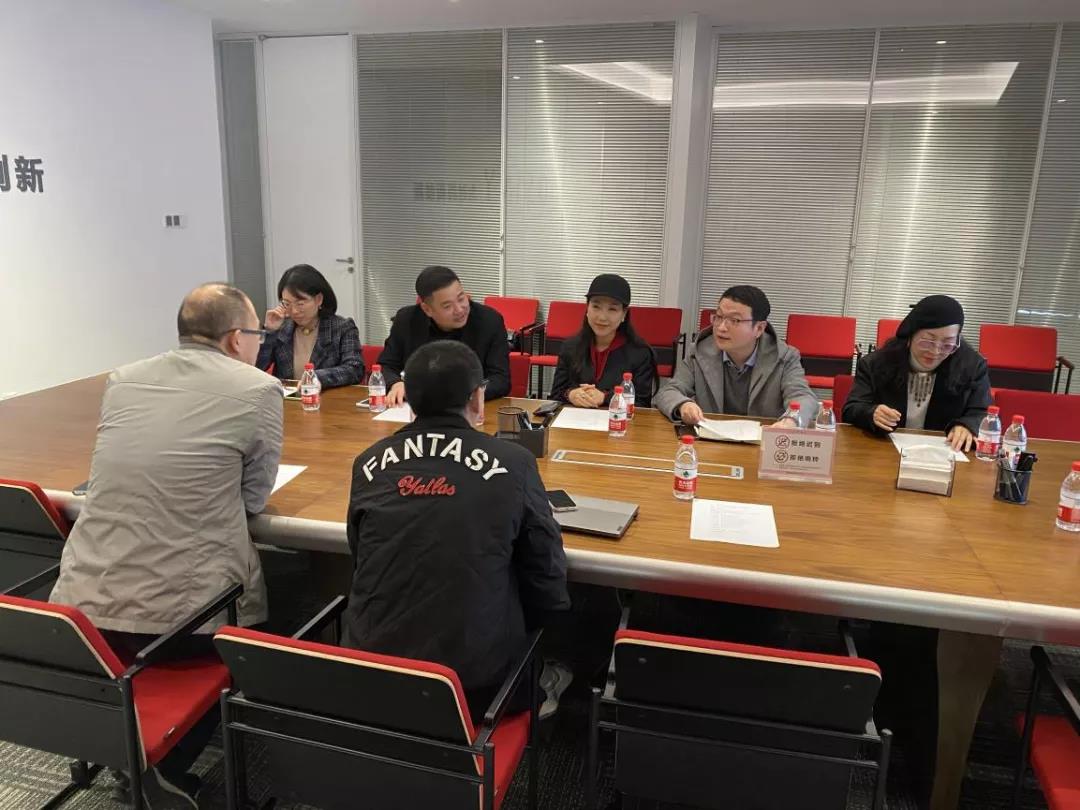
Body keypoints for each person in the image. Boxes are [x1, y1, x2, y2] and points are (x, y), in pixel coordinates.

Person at [50, 282, 283, 808]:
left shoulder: (124, 378)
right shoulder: (258, 389)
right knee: (259, 628)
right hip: (180, 621)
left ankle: (121, 744)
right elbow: (253, 499)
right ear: (235, 339)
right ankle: (167, 766)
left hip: (83, 603)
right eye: (256, 334)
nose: (258, 344)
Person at [343, 340, 570, 719]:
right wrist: (550, 624)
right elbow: (546, 570)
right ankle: (545, 679)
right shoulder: (514, 462)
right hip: (476, 692)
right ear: (478, 398)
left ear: (409, 399)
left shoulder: (368, 462)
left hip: (372, 674)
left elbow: (358, 554)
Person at [843, 294, 991, 451]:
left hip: (943, 452)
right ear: (910, 335)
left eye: (947, 344)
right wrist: (871, 413)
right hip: (885, 449)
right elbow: (851, 409)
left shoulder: (973, 366)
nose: (935, 351)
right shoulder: (875, 364)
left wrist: (967, 425)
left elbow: (982, 412)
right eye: (927, 342)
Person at [654, 285, 816, 425]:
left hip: (762, 441)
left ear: (759, 328)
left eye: (735, 320)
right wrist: (683, 405)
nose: (721, 327)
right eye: (718, 317)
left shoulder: (785, 357)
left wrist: (791, 420)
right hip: (712, 439)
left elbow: (803, 397)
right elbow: (669, 391)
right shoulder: (699, 351)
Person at [378, 266, 510, 407]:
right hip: (416, 410)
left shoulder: (489, 321)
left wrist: (464, 392)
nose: (459, 310)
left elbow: (500, 379)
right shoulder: (406, 320)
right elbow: (386, 365)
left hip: (470, 409)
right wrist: (395, 383)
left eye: (461, 299)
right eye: (447, 306)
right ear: (427, 309)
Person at [550, 273, 658, 408]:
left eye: (612, 309)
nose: (602, 317)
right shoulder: (570, 347)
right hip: (575, 419)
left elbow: (642, 403)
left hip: (618, 420)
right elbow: (555, 395)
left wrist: (605, 397)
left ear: (624, 314)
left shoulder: (641, 354)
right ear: (587, 308)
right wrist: (570, 394)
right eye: (596, 306)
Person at [258, 264, 364, 388]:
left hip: (325, 398)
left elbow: (354, 369)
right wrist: (269, 331)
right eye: (287, 304)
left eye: (300, 303)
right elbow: (256, 367)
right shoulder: (282, 328)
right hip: (287, 399)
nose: (294, 311)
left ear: (319, 299)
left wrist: (316, 377)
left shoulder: (342, 328)